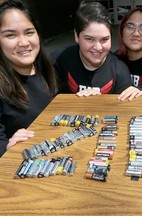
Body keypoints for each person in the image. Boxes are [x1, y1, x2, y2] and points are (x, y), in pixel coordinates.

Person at [0, 0, 58, 157]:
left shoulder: (51, 68)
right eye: (11, 35)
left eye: (29, 32)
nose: (23, 42)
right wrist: (8, 146)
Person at [54, 1, 131, 96]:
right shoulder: (59, 60)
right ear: (76, 36)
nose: (98, 48)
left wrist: (99, 104)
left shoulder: (120, 71)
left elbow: (122, 109)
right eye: (89, 39)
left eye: (104, 39)